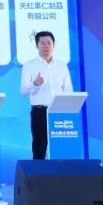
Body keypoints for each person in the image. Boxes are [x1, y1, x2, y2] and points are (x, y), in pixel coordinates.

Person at [19, 31, 73, 160]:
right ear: (37, 45)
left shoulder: (61, 65)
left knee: (61, 148)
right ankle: (38, 173)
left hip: (59, 112)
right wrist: (35, 84)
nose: (46, 46)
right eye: (42, 43)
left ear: (54, 45)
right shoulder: (29, 65)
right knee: (39, 148)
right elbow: (23, 91)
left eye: (49, 43)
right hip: (40, 111)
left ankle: (60, 173)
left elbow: (68, 90)